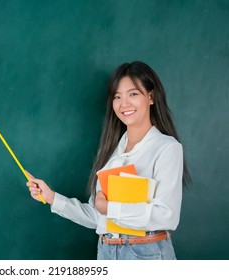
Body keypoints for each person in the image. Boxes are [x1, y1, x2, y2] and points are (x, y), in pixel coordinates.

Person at [26, 61, 191, 260]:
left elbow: (167, 215)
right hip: (107, 251)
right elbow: (99, 216)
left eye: (133, 94)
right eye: (117, 97)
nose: (124, 104)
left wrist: (110, 208)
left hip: (146, 254)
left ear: (151, 97)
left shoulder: (166, 147)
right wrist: (52, 197)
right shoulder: (111, 153)